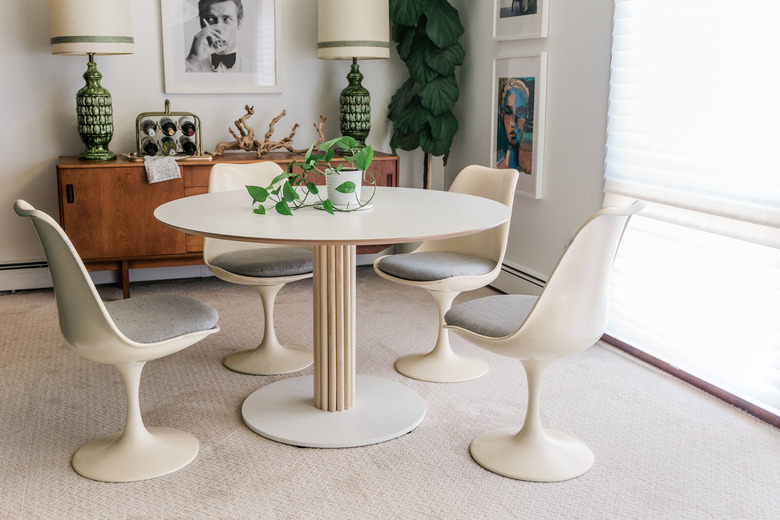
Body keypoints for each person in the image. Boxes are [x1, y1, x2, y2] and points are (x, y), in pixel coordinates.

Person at [185, 0, 244, 73]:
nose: (219, 28)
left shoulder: (254, 67)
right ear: (201, 23)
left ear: (239, 23)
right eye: (210, 19)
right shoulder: (189, 65)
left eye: (227, 19)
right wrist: (192, 60)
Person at [495, 77, 533, 174]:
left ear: (526, 116)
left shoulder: (530, 167)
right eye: (508, 112)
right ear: (502, 115)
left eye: (520, 112)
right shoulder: (496, 167)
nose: (513, 122)